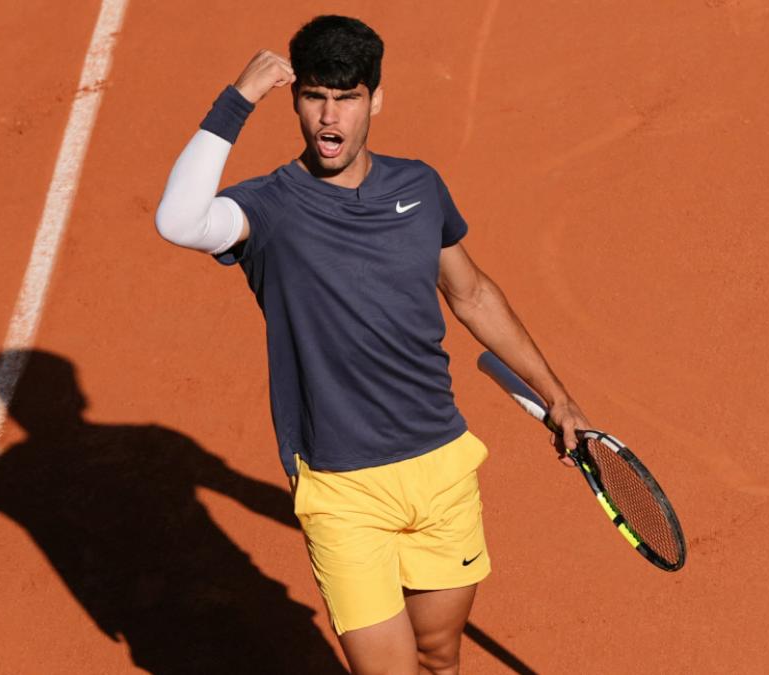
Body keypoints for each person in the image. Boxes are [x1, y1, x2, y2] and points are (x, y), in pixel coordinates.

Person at [155, 15, 589, 675]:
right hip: (342, 486)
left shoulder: (419, 187)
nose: (329, 118)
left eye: (347, 97)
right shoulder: (268, 209)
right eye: (314, 96)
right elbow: (179, 219)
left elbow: (470, 294)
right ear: (295, 98)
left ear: (375, 99)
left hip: (441, 469)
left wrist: (557, 397)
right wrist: (237, 98)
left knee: (440, 655)